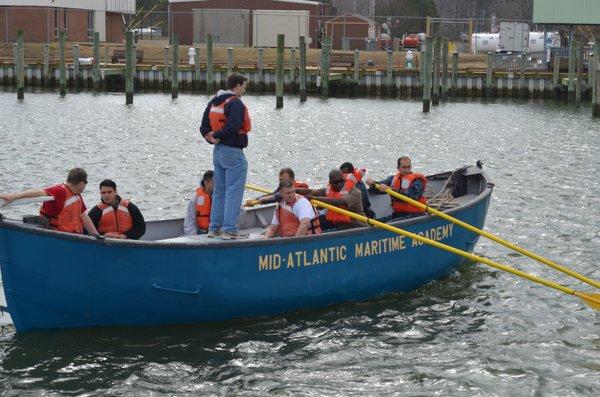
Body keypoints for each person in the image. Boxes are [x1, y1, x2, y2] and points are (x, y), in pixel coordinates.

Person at [200, 73, 251, 240]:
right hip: (233, 152)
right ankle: (229, 230)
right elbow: (234, 126)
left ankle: (214, 229)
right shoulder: (235, 103)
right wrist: (219, 136)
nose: (244, 89)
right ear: (236, 86)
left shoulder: (215, 100)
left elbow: (203, 126)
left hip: (218, 152)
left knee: (219, 191)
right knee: (233, 192)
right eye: (243, 86)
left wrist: (211, 137)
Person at [0, 167, 100, 235]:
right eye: (86, 182)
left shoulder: (77, 195)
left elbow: (84, 217)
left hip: (73, 236)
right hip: (59, 236)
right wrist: (14, 196)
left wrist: (96, 235)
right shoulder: (60, 191)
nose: (85, 185)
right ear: (81, 182)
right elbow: (37, 193)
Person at [297, 169, 365, 230]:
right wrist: (292, 190)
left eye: (341, 181)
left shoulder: (355, 192)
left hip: (357, 227)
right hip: (340, 226)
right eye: (335, 182)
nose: (339, 184)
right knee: (318, 220)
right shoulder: (329, 190)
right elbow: (310, 192)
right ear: (330, 182)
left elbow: (341, 202)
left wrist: (315, 198)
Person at [183, 170, 214, 235]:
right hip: (202, 233)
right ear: (206, 183)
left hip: (218, 233)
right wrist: (193, 238)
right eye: (213, 183)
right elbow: (190, 221)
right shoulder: (195, 199)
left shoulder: (223, 198)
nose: (217, 186)